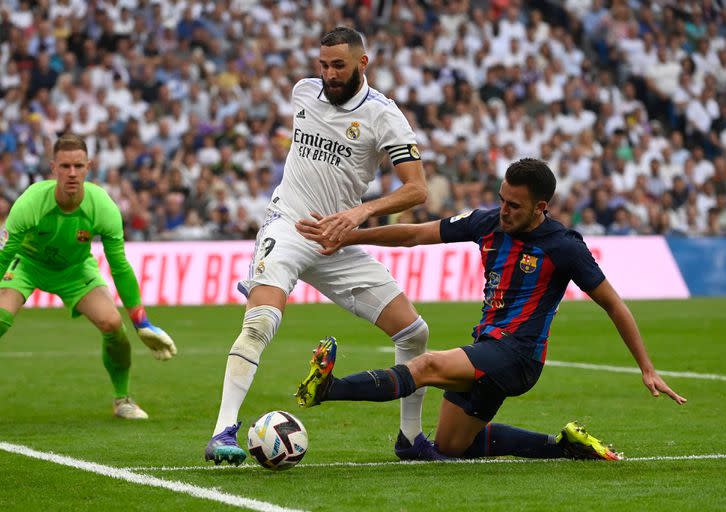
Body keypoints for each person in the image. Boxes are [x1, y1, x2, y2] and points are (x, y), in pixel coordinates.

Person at [295, 158, 686, 460]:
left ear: (541, 207)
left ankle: (328, 389)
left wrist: (647, 369)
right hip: (488, 346)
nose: (504, 210)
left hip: (518, 356)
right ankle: (563, 446)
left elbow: (614, 305)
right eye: (502, 199)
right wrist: (349, 236)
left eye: (514, 205)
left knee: (427, 365)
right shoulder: (487, 223)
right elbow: (414, 235)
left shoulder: (564, 246)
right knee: (452, 446)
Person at [204, 27, 429, 465]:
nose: (328, 74)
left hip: (337, 239)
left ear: (363, 63)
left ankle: (410, 437)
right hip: (288, 226)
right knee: (260, 322)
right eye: (323, 65)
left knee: (414, 332)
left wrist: (359, 213)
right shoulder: (302, 93)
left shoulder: (384, 116)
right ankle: (223, 431)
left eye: (338, 65)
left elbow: (416, 189)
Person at [0, 133, 177, 419]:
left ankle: (123, 401)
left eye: (78, 166)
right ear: (53, 168)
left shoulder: (103, 206)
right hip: (28, 263)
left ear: (89, 166)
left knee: (113, 325)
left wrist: (141, 321)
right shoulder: (31, 201)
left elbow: (119, 266)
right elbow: (4, 254)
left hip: (75, 269)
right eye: (65, 166)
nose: (72, 173)